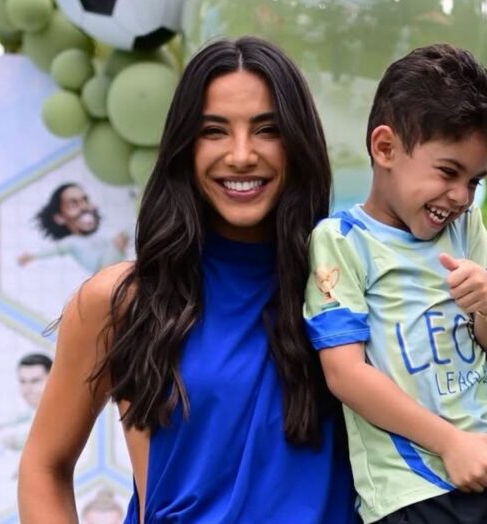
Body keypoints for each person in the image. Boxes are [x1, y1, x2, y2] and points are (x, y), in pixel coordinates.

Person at [18, 37, 355, 523]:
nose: (241, 155)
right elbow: (44, 466)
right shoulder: (121, 300)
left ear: (297, 142)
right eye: (214, 131)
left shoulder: (346, 285)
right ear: (184, 146)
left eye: (266, 130)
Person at [303, 44, 487, 524]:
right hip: (411, 490)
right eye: (448, 171)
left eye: (475, 181)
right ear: (385, 148)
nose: (460, 196)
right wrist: (449, 443)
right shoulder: (342, 243)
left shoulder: (466, 231)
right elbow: (345, 374)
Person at [17, 183, 129, 274]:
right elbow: (54, 250)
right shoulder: (72, 242)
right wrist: (32, 257)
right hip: (103, 270)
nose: (84, 207)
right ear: (59, 218)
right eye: (73, 205)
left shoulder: (100, 237)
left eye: (85, 201)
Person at [0, 353, 51, 472]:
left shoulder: (67, 414)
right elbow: (21, 418)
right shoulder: (33, 412)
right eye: (22, 382)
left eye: (35, 381)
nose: (27, 389)